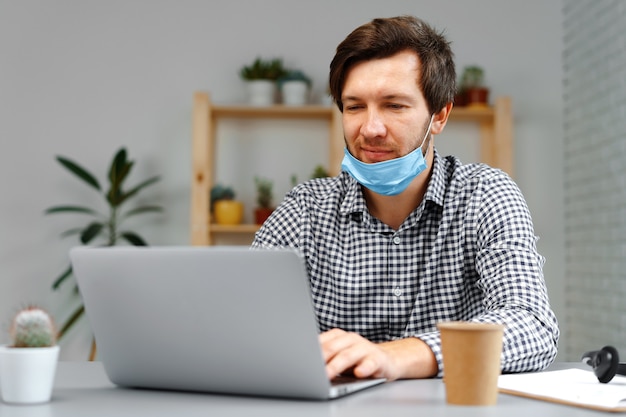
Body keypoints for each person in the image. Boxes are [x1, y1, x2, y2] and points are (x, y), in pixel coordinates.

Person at [251, 15, 559, 381]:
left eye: (394, 105)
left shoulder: (486, 194)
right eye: (354, 107)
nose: (370, 128)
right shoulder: (305, 209)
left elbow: (532, 323)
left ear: (440, 115)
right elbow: (240, 320)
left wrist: (398, 356)